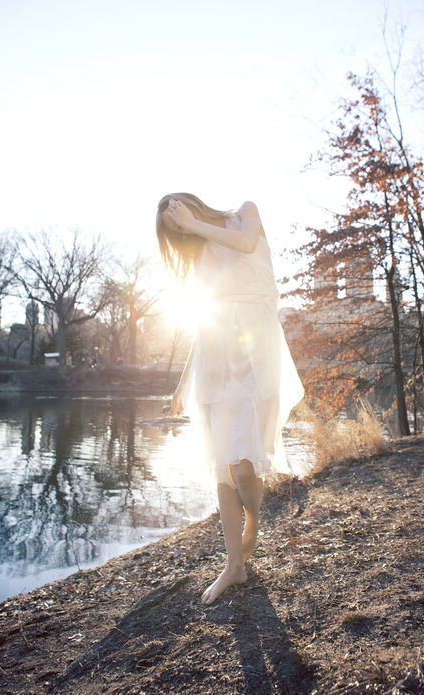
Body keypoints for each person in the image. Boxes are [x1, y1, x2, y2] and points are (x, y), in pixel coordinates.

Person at [156, 193, 304, 605]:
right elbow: (205, 322)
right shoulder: (200, 254)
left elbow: (246, 244)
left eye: (180, 219)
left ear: (191, 205)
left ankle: (253, 518)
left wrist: (192, 224)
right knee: (223, 466)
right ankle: (234, 565)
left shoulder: (245, 214)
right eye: (175, 230)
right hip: (215, 360)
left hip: (256, 350)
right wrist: (183, 383)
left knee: (244, 467)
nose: (182, 230)